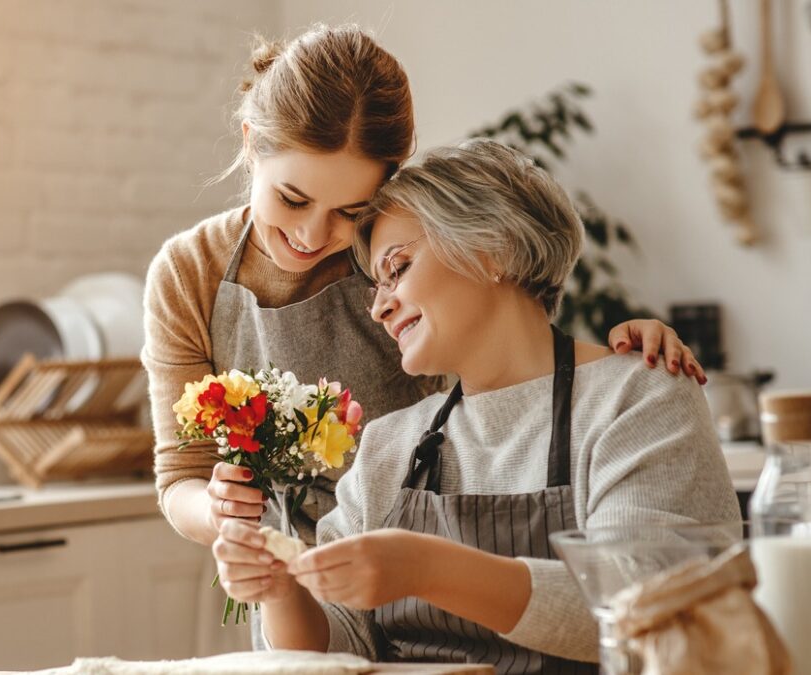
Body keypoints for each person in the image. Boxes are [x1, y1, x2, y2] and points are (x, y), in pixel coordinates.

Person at [141, 25, 707, 644]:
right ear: (251, 145)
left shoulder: (633, 402)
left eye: (352, 216)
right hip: (317, 603)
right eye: (292, 198)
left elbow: (513, 356)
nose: (311, 235)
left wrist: (617, 358)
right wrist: (251, 546)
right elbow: (183, 474)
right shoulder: (387, 447)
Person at [211, 139, 740, 671]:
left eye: (398, 267)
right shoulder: (389, 444)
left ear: (494, 249)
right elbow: (337, 646)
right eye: (376, 284)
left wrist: (427, 568)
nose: (379, 307)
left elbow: (649, 609)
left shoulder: (637, 398)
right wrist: (281, 590)